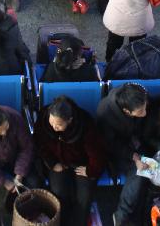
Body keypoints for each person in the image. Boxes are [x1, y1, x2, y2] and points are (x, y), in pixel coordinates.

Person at [34, 95, 106, 226]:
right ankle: (62, 221)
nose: (54, 127)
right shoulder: (44, 119)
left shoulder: (85, 123)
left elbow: (97, 151)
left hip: (81, 163)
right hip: (57, 162)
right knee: (59, 192)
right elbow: (39, 144)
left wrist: (91, 169)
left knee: (84, 196)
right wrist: (52, 163)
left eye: (59, 124)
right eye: (52, 122)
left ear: (70, 120)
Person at [97, 82, 150, 226]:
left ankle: (132, 216)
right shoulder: (105, 113)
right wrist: (134, 156)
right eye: (140, 112)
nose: (145, 113)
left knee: (147, 171)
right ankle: (123, 215)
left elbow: (147, 125)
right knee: (139, 173)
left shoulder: (140, 98)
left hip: (138, 142)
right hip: (120, 150)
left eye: (145, 108)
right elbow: (110, 144)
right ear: (127, 112)